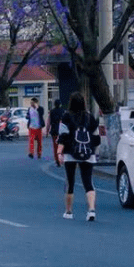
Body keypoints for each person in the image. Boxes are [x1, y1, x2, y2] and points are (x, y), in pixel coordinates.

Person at [56, 92, 100, 222]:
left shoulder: (66, 116)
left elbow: (62, 136)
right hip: (88, 153)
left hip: (70, 153)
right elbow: (97, 138)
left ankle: (68, 211)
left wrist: (59, 153)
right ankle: (91, 210)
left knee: (70, 182)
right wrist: (94, 152)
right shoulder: (90, 117)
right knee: (88, 182)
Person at [49, 99, 64, 166]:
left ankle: (57, 160)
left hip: (54, 131)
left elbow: (49, 121)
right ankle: (62, 159)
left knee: (55, 147)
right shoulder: (63, 111)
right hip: (61, 131)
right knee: (62, 146)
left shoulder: (52, 111)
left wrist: (46, 131)